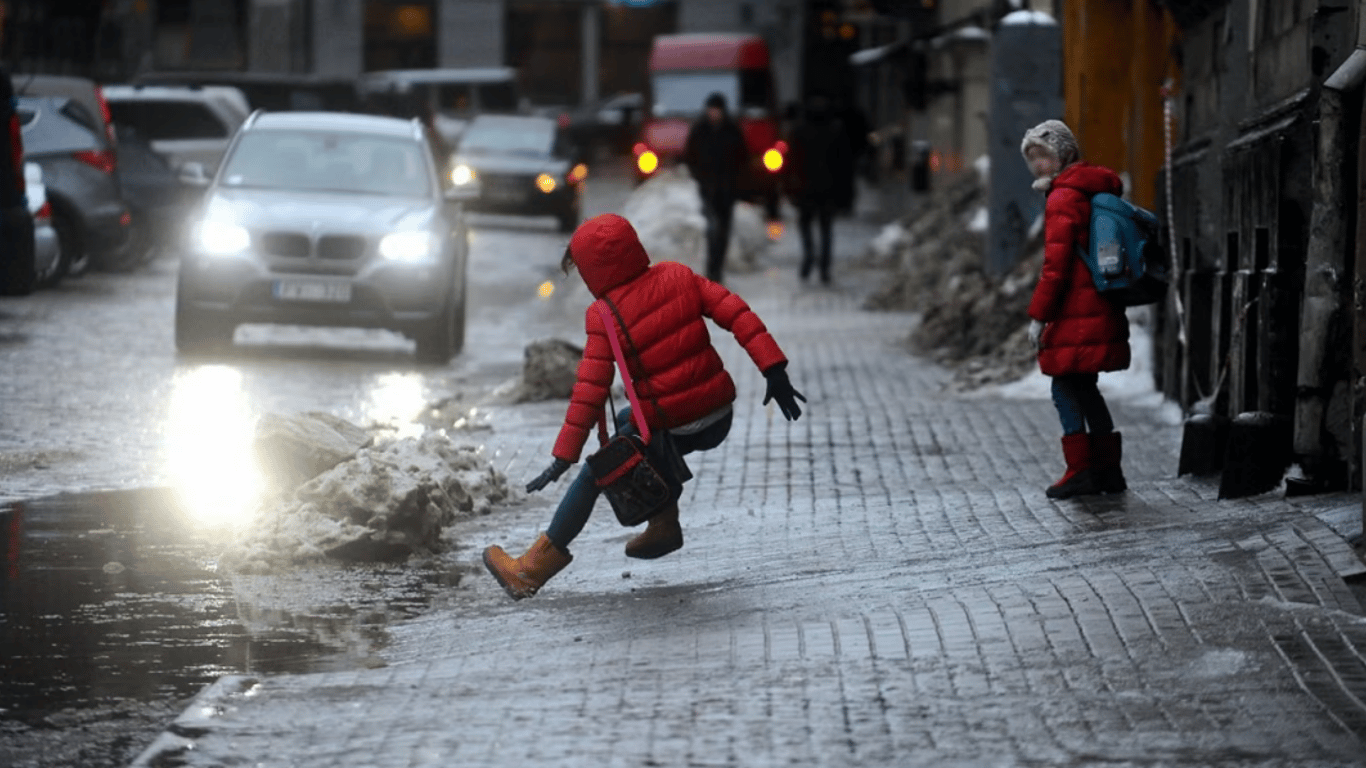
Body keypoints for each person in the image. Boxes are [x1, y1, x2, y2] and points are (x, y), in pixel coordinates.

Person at [482, 213, 806, 600]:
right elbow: (738, 314)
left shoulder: (604, 314)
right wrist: (774, 371)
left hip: (673, 424)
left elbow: (590, 389)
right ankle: (664, 524)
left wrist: (564, 457)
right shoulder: (678, 275)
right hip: (718, 415)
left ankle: (531, 570)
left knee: (596, 470)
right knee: (626, 422)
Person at [1021, 119, 1130, 499]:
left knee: (1064, 386)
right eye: (1031, 157)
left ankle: (1080, 470)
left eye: (1043, 155)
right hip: (1096, 304)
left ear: (1062, 153)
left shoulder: (1063, 197)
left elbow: (1057, 265)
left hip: (1075, 308)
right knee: (1085, 387)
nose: (1037, 164)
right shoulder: (1089, 187)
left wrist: (1039, 315)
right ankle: (1107, 471)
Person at [783, 93, 852, 284]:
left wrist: (790, 187)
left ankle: (809, 257)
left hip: (805, 188)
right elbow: (844, 165)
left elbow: (792, 163)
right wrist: (845, 193)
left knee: (806, 225)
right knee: (826, 228)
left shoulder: (799, 130)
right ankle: (824, 267)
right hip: (828, 188)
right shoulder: (835, 130)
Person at [682, 92, 748, 283]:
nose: (714, 113)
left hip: (727, 189)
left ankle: (717, 268)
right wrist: (699, 177)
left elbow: (741, 158)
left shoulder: (732, 130)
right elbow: (691, 155)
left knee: (724, 231)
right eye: (711, 109)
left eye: (717, 110)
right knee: (712, 229)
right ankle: (712, 269)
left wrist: (738, 184)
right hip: (707, 188)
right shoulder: (700, 130)